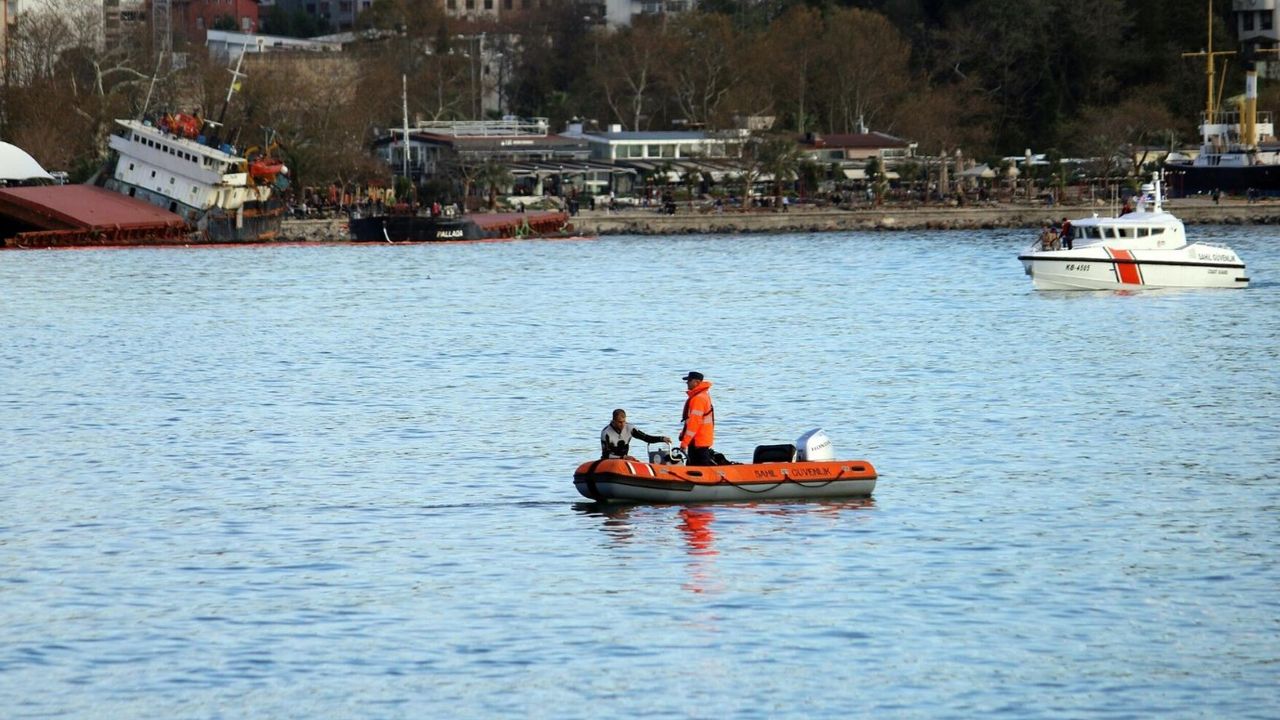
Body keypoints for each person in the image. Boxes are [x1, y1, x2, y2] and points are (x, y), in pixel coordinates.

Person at [679, 371, 717, 466]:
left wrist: (684, 443)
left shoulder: (698, 399)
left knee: (698, 467)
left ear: (697, 382)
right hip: (701, 440)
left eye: (689, 380)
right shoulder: (703, 396)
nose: (687, 382)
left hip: (697, 441)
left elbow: (694, 423)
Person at [601, 409, 670, 460]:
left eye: (624, 421)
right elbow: (606, 455)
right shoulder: (606, 432)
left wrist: (662, 438)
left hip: (624, 459)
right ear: (614, 421)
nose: (622, 425)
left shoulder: (630, 428)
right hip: (609, 460)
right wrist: (623, 457)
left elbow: (645, 437)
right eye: (620, 422)